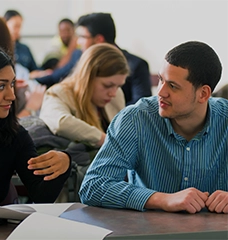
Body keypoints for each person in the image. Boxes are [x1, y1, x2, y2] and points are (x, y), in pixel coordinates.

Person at [79, 41, 228, 214]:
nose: (160, 92)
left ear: (203, 94)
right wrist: (162, 199)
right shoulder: (135, 119)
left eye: (173, 86)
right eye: (161, 80)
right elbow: (93, 186)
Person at [0, 43, 72, 205]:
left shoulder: (15, 136)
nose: (11, 96)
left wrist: (64, 163)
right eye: (0, 86)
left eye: (12, 84)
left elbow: (41, 196)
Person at [35, 12, 152, 105]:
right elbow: (56, 77)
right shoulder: (79, 56)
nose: (78, 42)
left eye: (82, 37)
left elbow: (140, 105)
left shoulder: (136, 65)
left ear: (99, 39)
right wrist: (29, 81)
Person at [39, 43, 129, 147]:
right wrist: (106, 140)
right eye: (107, 85)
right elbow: (61, 123)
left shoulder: (116, 94)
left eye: (118, 86)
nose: (113, 93)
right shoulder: (57, 94)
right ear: (88, 77)